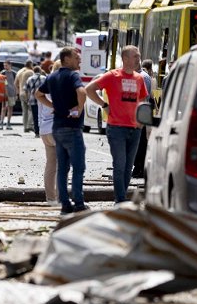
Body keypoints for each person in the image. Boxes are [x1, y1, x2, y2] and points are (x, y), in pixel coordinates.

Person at [85, 46, 149, 204]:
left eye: (139, 56)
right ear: (125, 58)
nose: (138, 59)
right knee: (119, 165)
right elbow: (89, 89)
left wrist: (142, 122)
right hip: (117, 128)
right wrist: (104, 105)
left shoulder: (139, 78)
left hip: (135, 129)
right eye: (135, 56)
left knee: (128, 167)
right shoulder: (112, 76)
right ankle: (120, 200)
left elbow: (142, 100)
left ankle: (122, 197)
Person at [37, 47, 88, 214]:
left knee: (62, 167)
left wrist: (54, 107)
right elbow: (82, 91)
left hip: (57, 127)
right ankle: (79, 202)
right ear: (66, 59)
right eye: (76, 57)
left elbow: (37, 94)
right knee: (78, 166)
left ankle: (64, 203)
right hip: (72, 128)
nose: (79, 60)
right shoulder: (73, 75)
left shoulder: (51, 77)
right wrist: (79, 109)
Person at [35, 60, 56, 203]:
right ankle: (61, 198)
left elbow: (39, 112)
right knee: (62, 166)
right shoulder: (60, 87)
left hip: (45, 130)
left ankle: (50, 198)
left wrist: (40, 129)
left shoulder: (43, 88)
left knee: (50, 165)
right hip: (56, 128)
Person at [24, 60, 48, 137]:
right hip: (43, 100)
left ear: (33, 71)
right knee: (43, 115)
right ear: (40, 71)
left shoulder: (30, 79)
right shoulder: (44, 78)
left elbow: (26, 90)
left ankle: (37, 132)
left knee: (35, 116)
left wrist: (27, 98)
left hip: (33, 100)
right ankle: (43, 131)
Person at [15, 60, 35, 132]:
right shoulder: (30, 72)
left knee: (24, 111)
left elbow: (15, 83)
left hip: (21, 93)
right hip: (28, 93)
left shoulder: (19, 71)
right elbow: (33, 82)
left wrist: (18, 93)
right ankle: (30, 125)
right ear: (30, 65)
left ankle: (25, 127)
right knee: (31, 109)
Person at [2, 61, 17, 129]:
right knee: (3, 108)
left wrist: (16, 93)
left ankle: (8, 123)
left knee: (10, 108)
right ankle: (1, 122)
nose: (5, 67)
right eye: (4, 65)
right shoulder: (2, 73)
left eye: (6, 65)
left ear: (10, 65)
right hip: (3, 93)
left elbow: (16, 84)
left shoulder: (14, 73)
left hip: (11, 93)